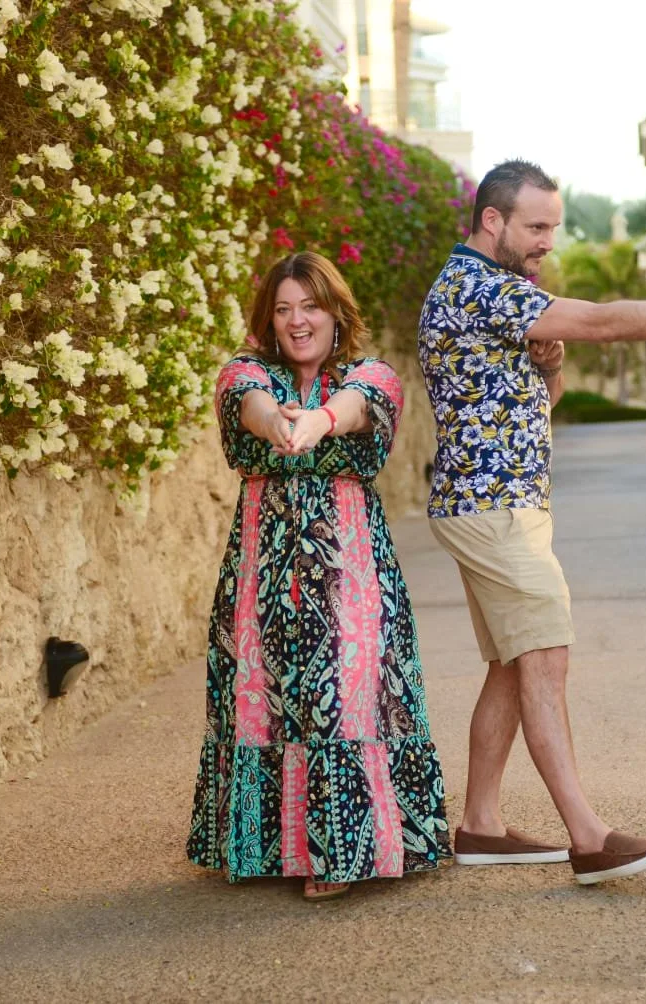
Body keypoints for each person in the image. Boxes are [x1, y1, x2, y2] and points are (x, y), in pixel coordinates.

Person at [418, 159, 646, 885]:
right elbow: (604, 321)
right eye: (536, 226)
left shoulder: (501, 293)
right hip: (493, 511)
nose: (548, 239)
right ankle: (588, 839)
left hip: (499, 505)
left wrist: (547, 368)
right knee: (546, 658)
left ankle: (482, 826)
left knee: (511, 664)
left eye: (553, 225)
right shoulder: (476, 286)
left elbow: (532, 409)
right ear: (492, 220)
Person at [187, 251, 451, 901]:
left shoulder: (372, 375)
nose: (296, 320)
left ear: (335, 311)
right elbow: (245, 401)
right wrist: (279, 421)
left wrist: (320, 420)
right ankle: (268, 847)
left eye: (309, 306)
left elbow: (361, 405)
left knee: (345, 685)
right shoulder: (247, 371)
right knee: (262, 699)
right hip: (262, 570)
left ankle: (345, 851)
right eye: (283, 309)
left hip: (350, 568)